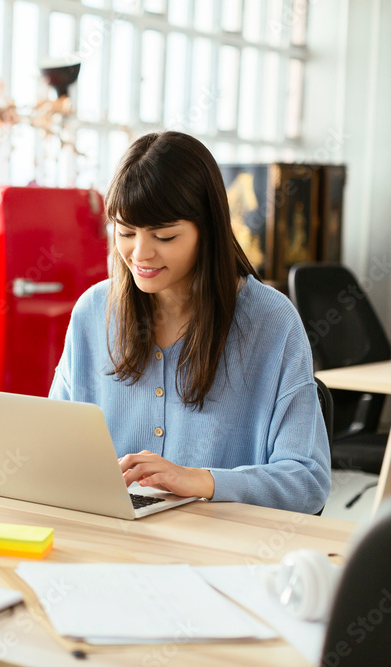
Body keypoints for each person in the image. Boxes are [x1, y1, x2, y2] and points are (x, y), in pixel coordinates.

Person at [49, 131, 330, 515]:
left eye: (164, 236)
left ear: (207, 230)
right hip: (111, 542)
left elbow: (308, 481)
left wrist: (203, 481)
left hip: (223, 554)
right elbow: (53, 455)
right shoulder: (93, 313)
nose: (141, 253)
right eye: (126, 232)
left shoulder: (271, 322)